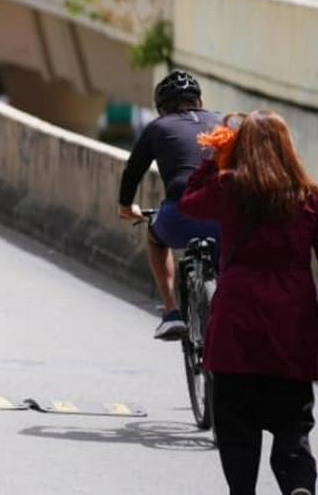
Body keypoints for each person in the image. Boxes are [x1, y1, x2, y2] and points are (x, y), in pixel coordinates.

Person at [178, 111, 318, 495]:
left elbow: (188, 203)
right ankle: (299, 484)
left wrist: (213, 160)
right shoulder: (308, 197)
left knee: (236, 425)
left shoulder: (229, 188)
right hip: (292, 322)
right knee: (293, 422)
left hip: (237, 320)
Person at [118, 70, 221, 340]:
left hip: (180, 215)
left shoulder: (157, 127)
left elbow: (133, 172)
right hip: (225, 216)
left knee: (155, 239)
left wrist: (126, 206)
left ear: (162, 110)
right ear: (199, 103)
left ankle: (171, 311)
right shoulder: (222, 121)